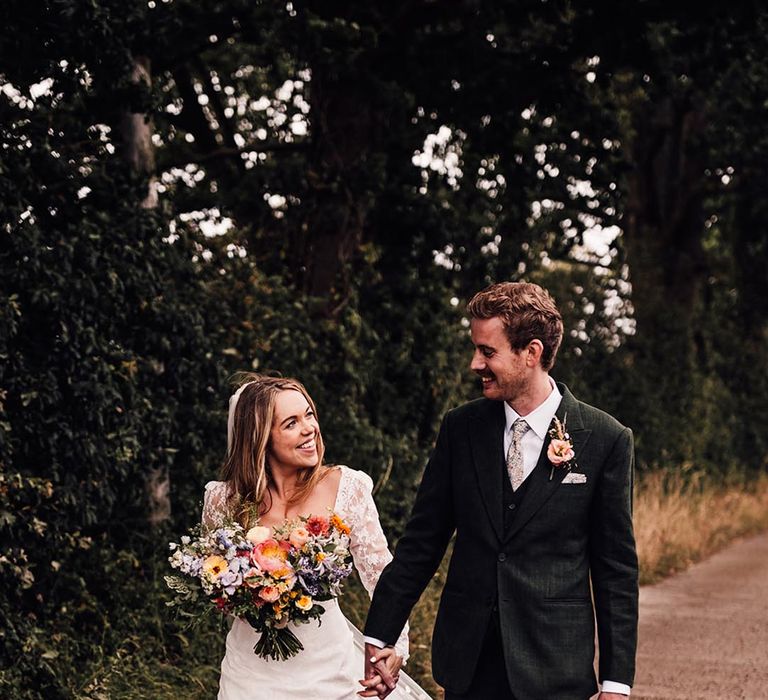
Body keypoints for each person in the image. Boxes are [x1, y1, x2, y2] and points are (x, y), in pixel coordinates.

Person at [362, 282, 639, 700]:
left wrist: (616, 683)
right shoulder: (461, 429)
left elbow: (615, 570)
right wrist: (381, 635)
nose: (475, 363)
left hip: (554, 665)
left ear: (531, 353)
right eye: (476, 349)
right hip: (468, 663)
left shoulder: (605, 438)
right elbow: (422, 542)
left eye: (487, 351)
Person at [202, 374, 430, 700]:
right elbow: (216, 593)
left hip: (331, 672)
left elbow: (383, 577)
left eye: (309, 414)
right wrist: (250, 591)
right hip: (251, 675)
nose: (310, 428)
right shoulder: (222, 502)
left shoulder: (345, 488)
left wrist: (394, 645)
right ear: (260, 438)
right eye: (291, 423)